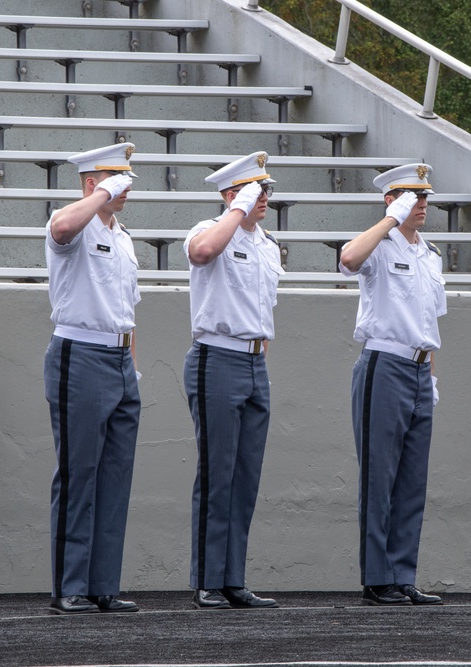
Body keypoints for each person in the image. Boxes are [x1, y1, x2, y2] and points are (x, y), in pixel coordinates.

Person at [337, 163, 447, 606]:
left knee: (411, 480)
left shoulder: (431, 254)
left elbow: (429, 323)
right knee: (379, 476)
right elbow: (348, 260)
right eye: (410, 197)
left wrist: (433, 378)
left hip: (420, 369)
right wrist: (389, 219)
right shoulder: (379, 245)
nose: (420, 204)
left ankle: (403, 574)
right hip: (384, 364)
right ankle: (377, 578)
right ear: (391, 199)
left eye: (424, 197)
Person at [43, 143, 143, 615]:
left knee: (115, 478)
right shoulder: (73, 224)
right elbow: (62, 227)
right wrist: (101, 194)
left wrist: (133, 367)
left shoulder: (122, 236)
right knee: (79, 473)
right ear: (92, 182)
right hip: (79, 354)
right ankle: (70, 586)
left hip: (119, 360)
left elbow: (127, 312)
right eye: (115, 178)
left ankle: (103, 583)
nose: (127, 186)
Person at [183, 151, 283, 610]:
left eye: (266, 189)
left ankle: (234, 577)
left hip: (254, 362)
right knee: (217, 472)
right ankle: (208, 579)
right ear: (230, 195)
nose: (263, 197)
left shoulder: (266, 244)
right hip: (216, 357)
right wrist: (236, 210)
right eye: (252, 189)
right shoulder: (208, 230)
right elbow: (204, 254)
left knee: (245, 477)